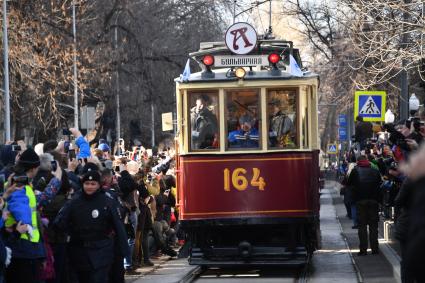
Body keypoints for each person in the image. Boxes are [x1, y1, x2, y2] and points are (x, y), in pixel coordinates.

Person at [53, 170, 130, 283]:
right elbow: (59, 223)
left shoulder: (107, 201)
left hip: (101, 251)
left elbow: (118, 227)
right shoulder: (74, 201)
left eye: (93, 184)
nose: (89, 187)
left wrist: (124, 251)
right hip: (78, 253)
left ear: (99, 185)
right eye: (87, 184)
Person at [347, 155, 382, 256]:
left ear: (358, 161)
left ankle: (363, 250)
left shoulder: (355, 171)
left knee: (362, 226)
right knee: (373, 226)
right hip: (373, 201)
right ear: (367, 161)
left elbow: (349, 183)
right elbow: (379, 183)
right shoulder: (375, 171)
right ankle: (375, 249)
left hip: (360, 201)